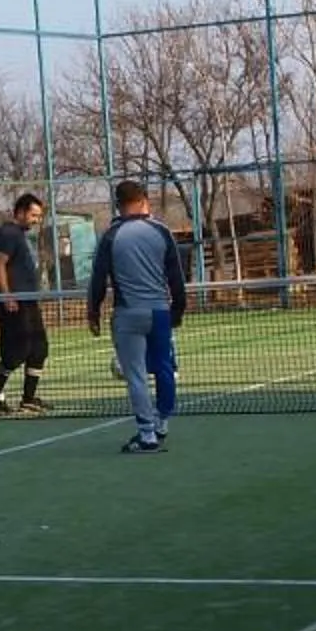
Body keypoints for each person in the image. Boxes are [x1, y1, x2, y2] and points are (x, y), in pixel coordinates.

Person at [85, 177, 186, 454]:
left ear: (118, 205)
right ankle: (161, 424)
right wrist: (178, 309)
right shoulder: (161, 231)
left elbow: (98, 279)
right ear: (143, 201)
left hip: (128, 314)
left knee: (137, 376)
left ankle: (147, 434)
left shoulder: (110, 236)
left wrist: (93, 312)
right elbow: (176, 275)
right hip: (160, 312)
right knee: (165, 367)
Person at [0, 192, 52, 416]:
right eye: (33, 215)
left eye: (39, 216)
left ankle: (28, 399)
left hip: (28, 301)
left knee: (39, 348)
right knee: (17, 350)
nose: (36, 220)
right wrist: (7, 296)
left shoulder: (21, 235)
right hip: (14, 302)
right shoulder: (8, 233)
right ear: (20, 212)